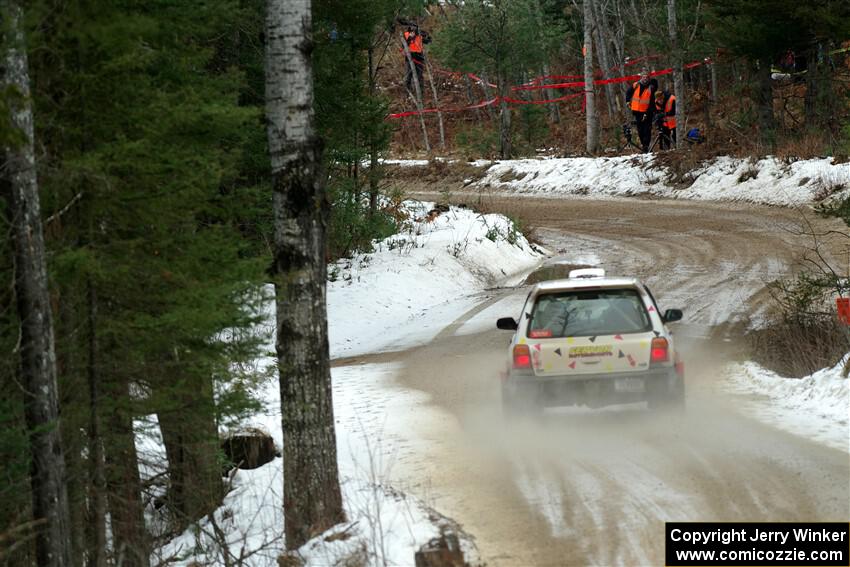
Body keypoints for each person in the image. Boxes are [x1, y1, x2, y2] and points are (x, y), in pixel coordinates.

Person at [625, 70, 658, 153]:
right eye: (643, 77)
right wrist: (628, 101)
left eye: (647, 77)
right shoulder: (636, 85)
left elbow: (655, 84)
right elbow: (628, 92)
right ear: (641, 78)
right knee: (640, 130)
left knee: (647, 130)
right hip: (637, 112)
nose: (645, 79)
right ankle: (644, 146)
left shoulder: (651, 87)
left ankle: (646, 146)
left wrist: (647, 113)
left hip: (648, 112)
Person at [402, 24, 431, 94]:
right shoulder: (406, 34)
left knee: (419, 76)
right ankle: (407, 93)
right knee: (408, 76)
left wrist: (426, 34)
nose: (414, 30)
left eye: (415, 28)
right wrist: (410, 38)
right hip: (409, 58)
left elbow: (428, 41)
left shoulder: (420, 35)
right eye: (412, 28)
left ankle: (421, 93)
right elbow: (403, 45)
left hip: (419, 58)